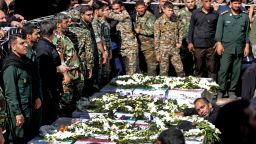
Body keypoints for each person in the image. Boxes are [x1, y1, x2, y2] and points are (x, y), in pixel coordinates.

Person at [35, 20, 68, 125]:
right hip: (47, 88)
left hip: (52, 87)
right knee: (49, 116)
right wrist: (58, 69)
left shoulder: (47, 45)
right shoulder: (43, 48)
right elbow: (43, 70)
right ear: (52, 32)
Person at [215, 0, 250, 99]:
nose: (237, 5)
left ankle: (232, 91)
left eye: (239, 3)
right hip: (226, 48)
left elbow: (247, 33)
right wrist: (218, 43)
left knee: (236, 71)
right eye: (235, 3)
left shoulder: (245, 17)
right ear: (230, 4)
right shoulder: (223, 16)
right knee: (224, 70)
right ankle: (221, 90)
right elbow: (219, 31)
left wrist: (247, 45)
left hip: (239, 48)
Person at [2, 34, 33, 143]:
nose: (26, 45)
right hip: (18, 112)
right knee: (18, 139)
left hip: (28, 109)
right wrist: (17, 113)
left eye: (25, 43)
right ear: (13, 47)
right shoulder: (11, 67)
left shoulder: (24, 62)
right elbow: (10, 93)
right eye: (22, 43)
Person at [188, 0, 219, 80]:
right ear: (202, 2)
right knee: (198, 68)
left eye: (209, 1)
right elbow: (191, 28)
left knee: (212, 68)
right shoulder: (195, 13)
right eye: (206, 1)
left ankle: (212, 88)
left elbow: (218, 29)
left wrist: (218, 42)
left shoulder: (215, 14)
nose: (208, 3)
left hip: (211, 46)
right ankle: (198, 88)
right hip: (198, 45)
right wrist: (190, 42)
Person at [22, 22, 42, 137]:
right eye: (36, 34)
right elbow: (31, 78)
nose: (38, 36)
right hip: (32, 95)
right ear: (28, 36)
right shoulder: (27, 52)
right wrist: (36, 97)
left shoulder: (31, 50)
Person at [154, 1, 185, 76]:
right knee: (163, 72)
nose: (170, 12)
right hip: (163, 51)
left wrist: (180, 42)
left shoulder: (175, 20)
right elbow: (156, 39)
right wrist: (157, 53)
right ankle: (163, 86)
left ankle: (182, 86)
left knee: (180, 69)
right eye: (169, 10)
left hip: (174, 49)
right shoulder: (158, 22)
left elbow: (181, 30)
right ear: (163, 9)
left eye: (172, 10)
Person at [109, 0, 138, 75]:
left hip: (130, 47)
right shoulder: (117, 17)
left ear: (122, 7)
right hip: (122, 47)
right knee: (126, 69)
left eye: (117, 9)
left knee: (131, 70)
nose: (115, 11)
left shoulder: (125, 15)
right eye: (113, 9)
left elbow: (114, 16)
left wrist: (106, 12)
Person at [134, 0, 157, 76]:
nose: (141, 9)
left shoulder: (150, 16)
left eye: (142, 7)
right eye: (139, 8)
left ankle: (152, 82)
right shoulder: (137, 16)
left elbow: (152, 31)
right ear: (136, 9)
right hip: (140, 45)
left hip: (149, 46)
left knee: (151, 67)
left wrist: (140, 31)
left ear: (145, 7)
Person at [176, 0, 197, 76]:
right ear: (185, 3)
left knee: (196, 62)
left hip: (196, 41)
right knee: (184, 62)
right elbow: (176, 27)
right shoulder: (180, 13)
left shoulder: (198, 11)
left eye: (192, 1)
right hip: (184, 42)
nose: (190, 4)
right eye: (188, 2)